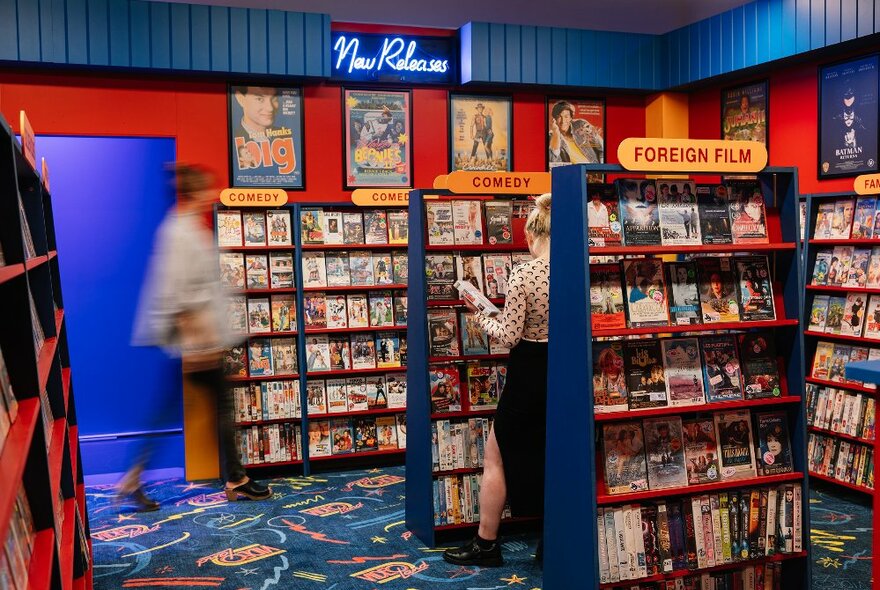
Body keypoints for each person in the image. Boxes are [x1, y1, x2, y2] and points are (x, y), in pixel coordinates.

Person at [124, 164, 271, 510]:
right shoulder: (178, 231)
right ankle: (236, 478)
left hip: (203, 340)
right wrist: (196, 346)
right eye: (206, 189)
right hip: (197, 343)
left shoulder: (185, 227)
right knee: (217, 408)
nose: (211, 194)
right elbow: (177, 292)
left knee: (178, 407)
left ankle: (134, 476)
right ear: (194, 192)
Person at [443, 193, 551, 567]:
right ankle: (553, 538)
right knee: (553, 453)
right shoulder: (576, 266)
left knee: (497, 453)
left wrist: (480, 315)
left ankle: (486, 543)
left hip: (529, 369)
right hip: (565, 371)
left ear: (532, 235)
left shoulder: (526, 273)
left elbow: (508, 335)